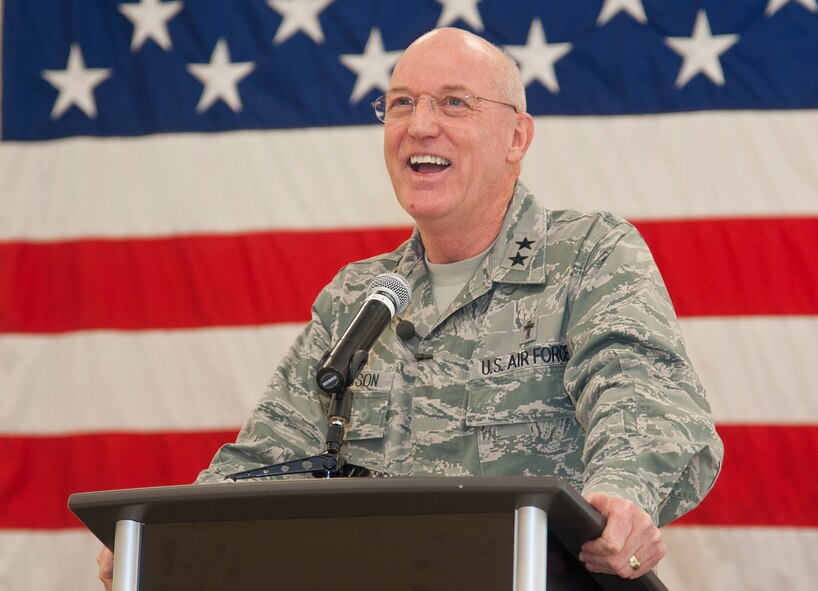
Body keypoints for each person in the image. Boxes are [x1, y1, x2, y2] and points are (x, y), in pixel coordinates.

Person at [98, 27, 723, 588]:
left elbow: (643, 396)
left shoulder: (588, 253)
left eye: (454, 102)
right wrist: (157, 540)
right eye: (401, 104)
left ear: (517, 136)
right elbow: (267, 458)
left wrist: (621, 492)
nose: (420, 125)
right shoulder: (357, 298)